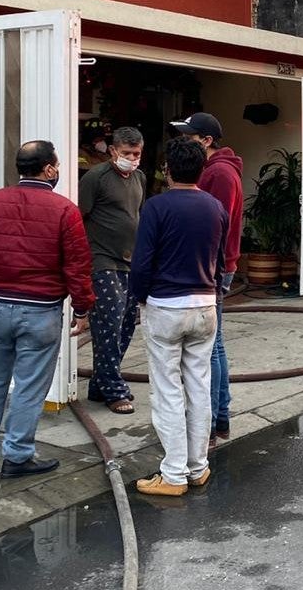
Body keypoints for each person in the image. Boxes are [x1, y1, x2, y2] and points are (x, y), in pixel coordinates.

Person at [0, 141, 94, 478]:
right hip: (41, 312)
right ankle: (17, 456)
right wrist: (82, 309)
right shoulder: (65, 210)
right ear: (49, 169)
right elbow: (77, 266)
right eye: (57, 166)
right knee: (29, 388)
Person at [129, 137, 228, 496]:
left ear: (167, 170)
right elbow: (220, 259)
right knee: (199, 386)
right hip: (205, 305)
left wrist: (140, 297)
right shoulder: (216, 207)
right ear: (202, 169)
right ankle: (198, 466)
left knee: (168, 390)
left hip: (166, 306)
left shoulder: (156, 207)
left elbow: (142, 262)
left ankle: (172, 475)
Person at [170, 112, 242, 445]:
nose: (184, 142)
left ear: (206, 140)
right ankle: (220, 419)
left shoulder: (220, 173)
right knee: (215, 344)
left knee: (209, 348)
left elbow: (215, 225)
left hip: (212, 266)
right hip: (214, 265)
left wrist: (205, 268)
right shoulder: (217, 170)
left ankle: (210, 425)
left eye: (189, 136)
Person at [79, 126, 146, 414]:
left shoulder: (139, 178)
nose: (132, 158)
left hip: (131, 261)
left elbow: (136, 214)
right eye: (127, 153)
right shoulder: (95, 178)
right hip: (102, 260)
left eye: (137, 153)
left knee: (128, 322)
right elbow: (79, 217)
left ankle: (100, 383)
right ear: (113, 150)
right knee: (109, 323)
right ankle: (114, 389)